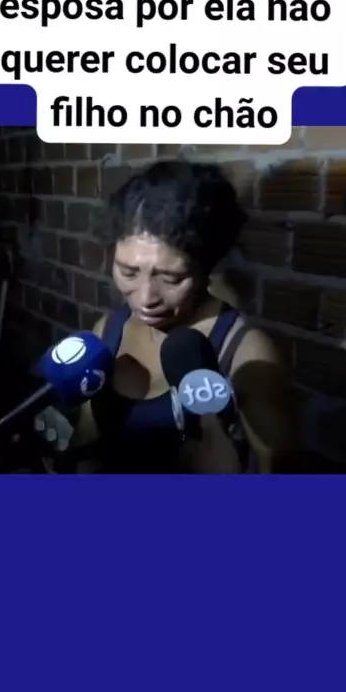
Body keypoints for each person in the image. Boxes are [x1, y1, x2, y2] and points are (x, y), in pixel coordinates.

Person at [68, 159, 298, 474]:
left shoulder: (248, 354)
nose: (145, 298)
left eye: (172, 278)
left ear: (207, 266)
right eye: (128, 272)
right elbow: (87, 447)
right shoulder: (106, 330)